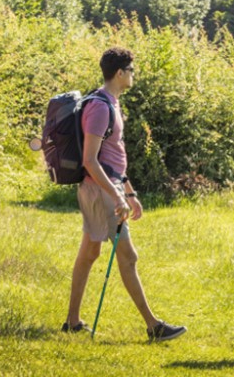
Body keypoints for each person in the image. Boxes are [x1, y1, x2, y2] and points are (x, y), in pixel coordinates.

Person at [63, 47, 186, 342]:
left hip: (108, 186)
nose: (133, 75)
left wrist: (128, 191)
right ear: (119, 73)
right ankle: (153, 326)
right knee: (128, 256)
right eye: (131, 70)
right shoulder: (100, 108)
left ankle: (72, 321)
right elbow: (91, 161)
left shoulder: (110, 103)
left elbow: (113, 157)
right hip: (100, 189)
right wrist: (116, 196)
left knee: (89, 252)